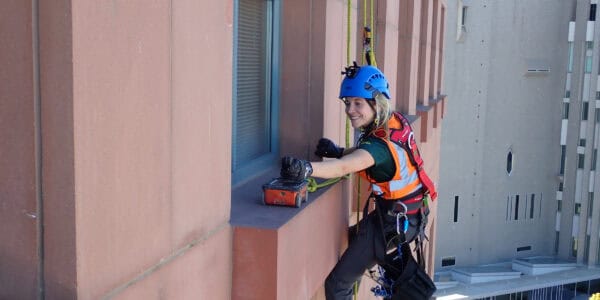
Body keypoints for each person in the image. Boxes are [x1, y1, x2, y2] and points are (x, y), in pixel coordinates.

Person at [280, 64, 435, 300]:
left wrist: (306, 169)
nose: (350, 109)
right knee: (355, 241)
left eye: (357, 103)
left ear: (377, 102)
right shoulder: (394, 122)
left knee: (337, 286)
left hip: (391, 226)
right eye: (347, 102)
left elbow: (349, 166)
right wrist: (339, 151)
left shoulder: (379, 148)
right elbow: (362, 155)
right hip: (406, 218)